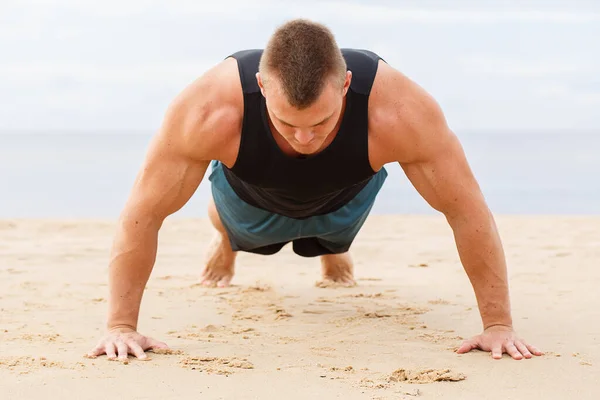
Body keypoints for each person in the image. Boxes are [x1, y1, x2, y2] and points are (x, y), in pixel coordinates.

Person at [87, 19, 542, 363]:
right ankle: (225, 239)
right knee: (241, 230)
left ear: (346, 85)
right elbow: (143, 212)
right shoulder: (209, 109)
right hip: (250, 196)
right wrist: (121, 325)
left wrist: (498, 324)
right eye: (287, 123)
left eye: (322, 122)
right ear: (261, 87)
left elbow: (467, 211)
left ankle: (330, 248)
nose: (305, 139)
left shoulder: (399, 111)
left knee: (333, 235)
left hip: (345, 194)